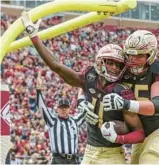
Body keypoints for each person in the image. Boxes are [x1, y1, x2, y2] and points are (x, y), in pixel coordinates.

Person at [21, 12, 145, 164]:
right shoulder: (90, 78)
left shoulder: (122, 91)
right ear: (100, 61)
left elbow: (138, 132)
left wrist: (118, 136)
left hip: (112, 154)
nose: (114, 68)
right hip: (89, 151)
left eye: (118, 65)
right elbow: (57, 66)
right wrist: (34, 37)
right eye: (110, 62)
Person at [102, 30, 159, 164]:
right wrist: (81, 99)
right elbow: (89, 79)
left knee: (151, 159)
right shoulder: (122, 69)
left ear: (150, 55)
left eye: (139, 56)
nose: (133, 60)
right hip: (141, 134)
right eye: (130, 55)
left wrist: (126, 104)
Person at [36, 71, 86, 164]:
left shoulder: (75, 121)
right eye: (61, 108)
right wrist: (38, 89)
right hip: (58, 160)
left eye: (65, 108)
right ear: (57, 109)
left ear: (69, 109)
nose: (63, 110)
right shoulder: (52, 121)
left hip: (73, 160)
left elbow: (86, 111)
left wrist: (84, 89)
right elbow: (41, 107)